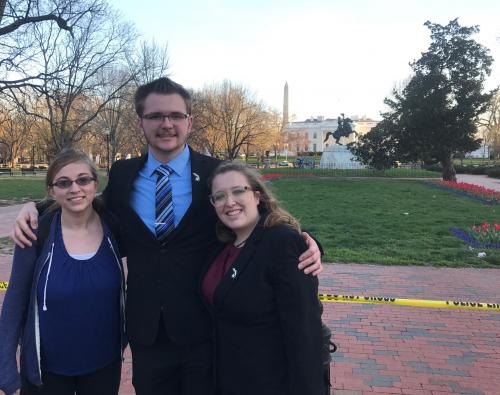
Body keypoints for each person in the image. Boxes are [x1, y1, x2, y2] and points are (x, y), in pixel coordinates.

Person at [10, 77, 323, 395]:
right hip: (148, 335)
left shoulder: (214, 173)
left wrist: (306, 240)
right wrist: (36, 206)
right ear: (141, 122)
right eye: (156, 116)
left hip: (205, 328)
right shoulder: (123, 174)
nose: (166, 124)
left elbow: (253, 214)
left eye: (175, 115)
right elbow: (88, 201)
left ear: (190, 121)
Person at [0, 149, 126, 395]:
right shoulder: (36, 234)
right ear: (51, 190)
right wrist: (7, 373)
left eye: (83, 180)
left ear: (95, 183)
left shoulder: (113, 225)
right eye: (64, 183)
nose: (75, 189)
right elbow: (14, 303)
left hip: (104, 365)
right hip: (46, 373)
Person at [202, 161, 324, 395]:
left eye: (239, 191)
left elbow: (304, 332)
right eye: (219, 196)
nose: (229, 202)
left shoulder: (283, 242)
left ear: (257, 196)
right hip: (227, 379)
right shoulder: (222, 245)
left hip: (271, 382)